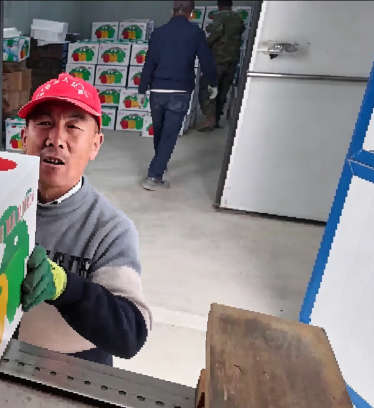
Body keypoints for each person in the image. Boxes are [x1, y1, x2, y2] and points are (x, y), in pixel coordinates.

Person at [12, 73, 153, 366]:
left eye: (73, 127)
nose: (56, 139)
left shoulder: (110, 229)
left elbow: (131, 333)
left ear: (95, 145)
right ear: (24, 137)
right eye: (44, 123)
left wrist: (66, 287)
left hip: (73, 371)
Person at [138, 0, 218, 191]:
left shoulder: (158, 32)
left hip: (157, 90)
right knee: (169, 135)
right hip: (180, 91)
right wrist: (213, 83)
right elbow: (206, 60)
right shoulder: (195, 32)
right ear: (192, 14)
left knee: (160, 132)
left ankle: (160, 165)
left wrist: (142, 89)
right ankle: (154, 176)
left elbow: (149, 62)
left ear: (171, 11)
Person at [197, 0, 246, 132]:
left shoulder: (221, 17)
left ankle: (209, 120)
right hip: (232, 60)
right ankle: (217, 119)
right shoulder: (238, 19)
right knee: (223, 90)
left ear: (219, 6)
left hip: (217, 59)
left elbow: (215, 34)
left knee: (208, 88)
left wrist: (203, 47)